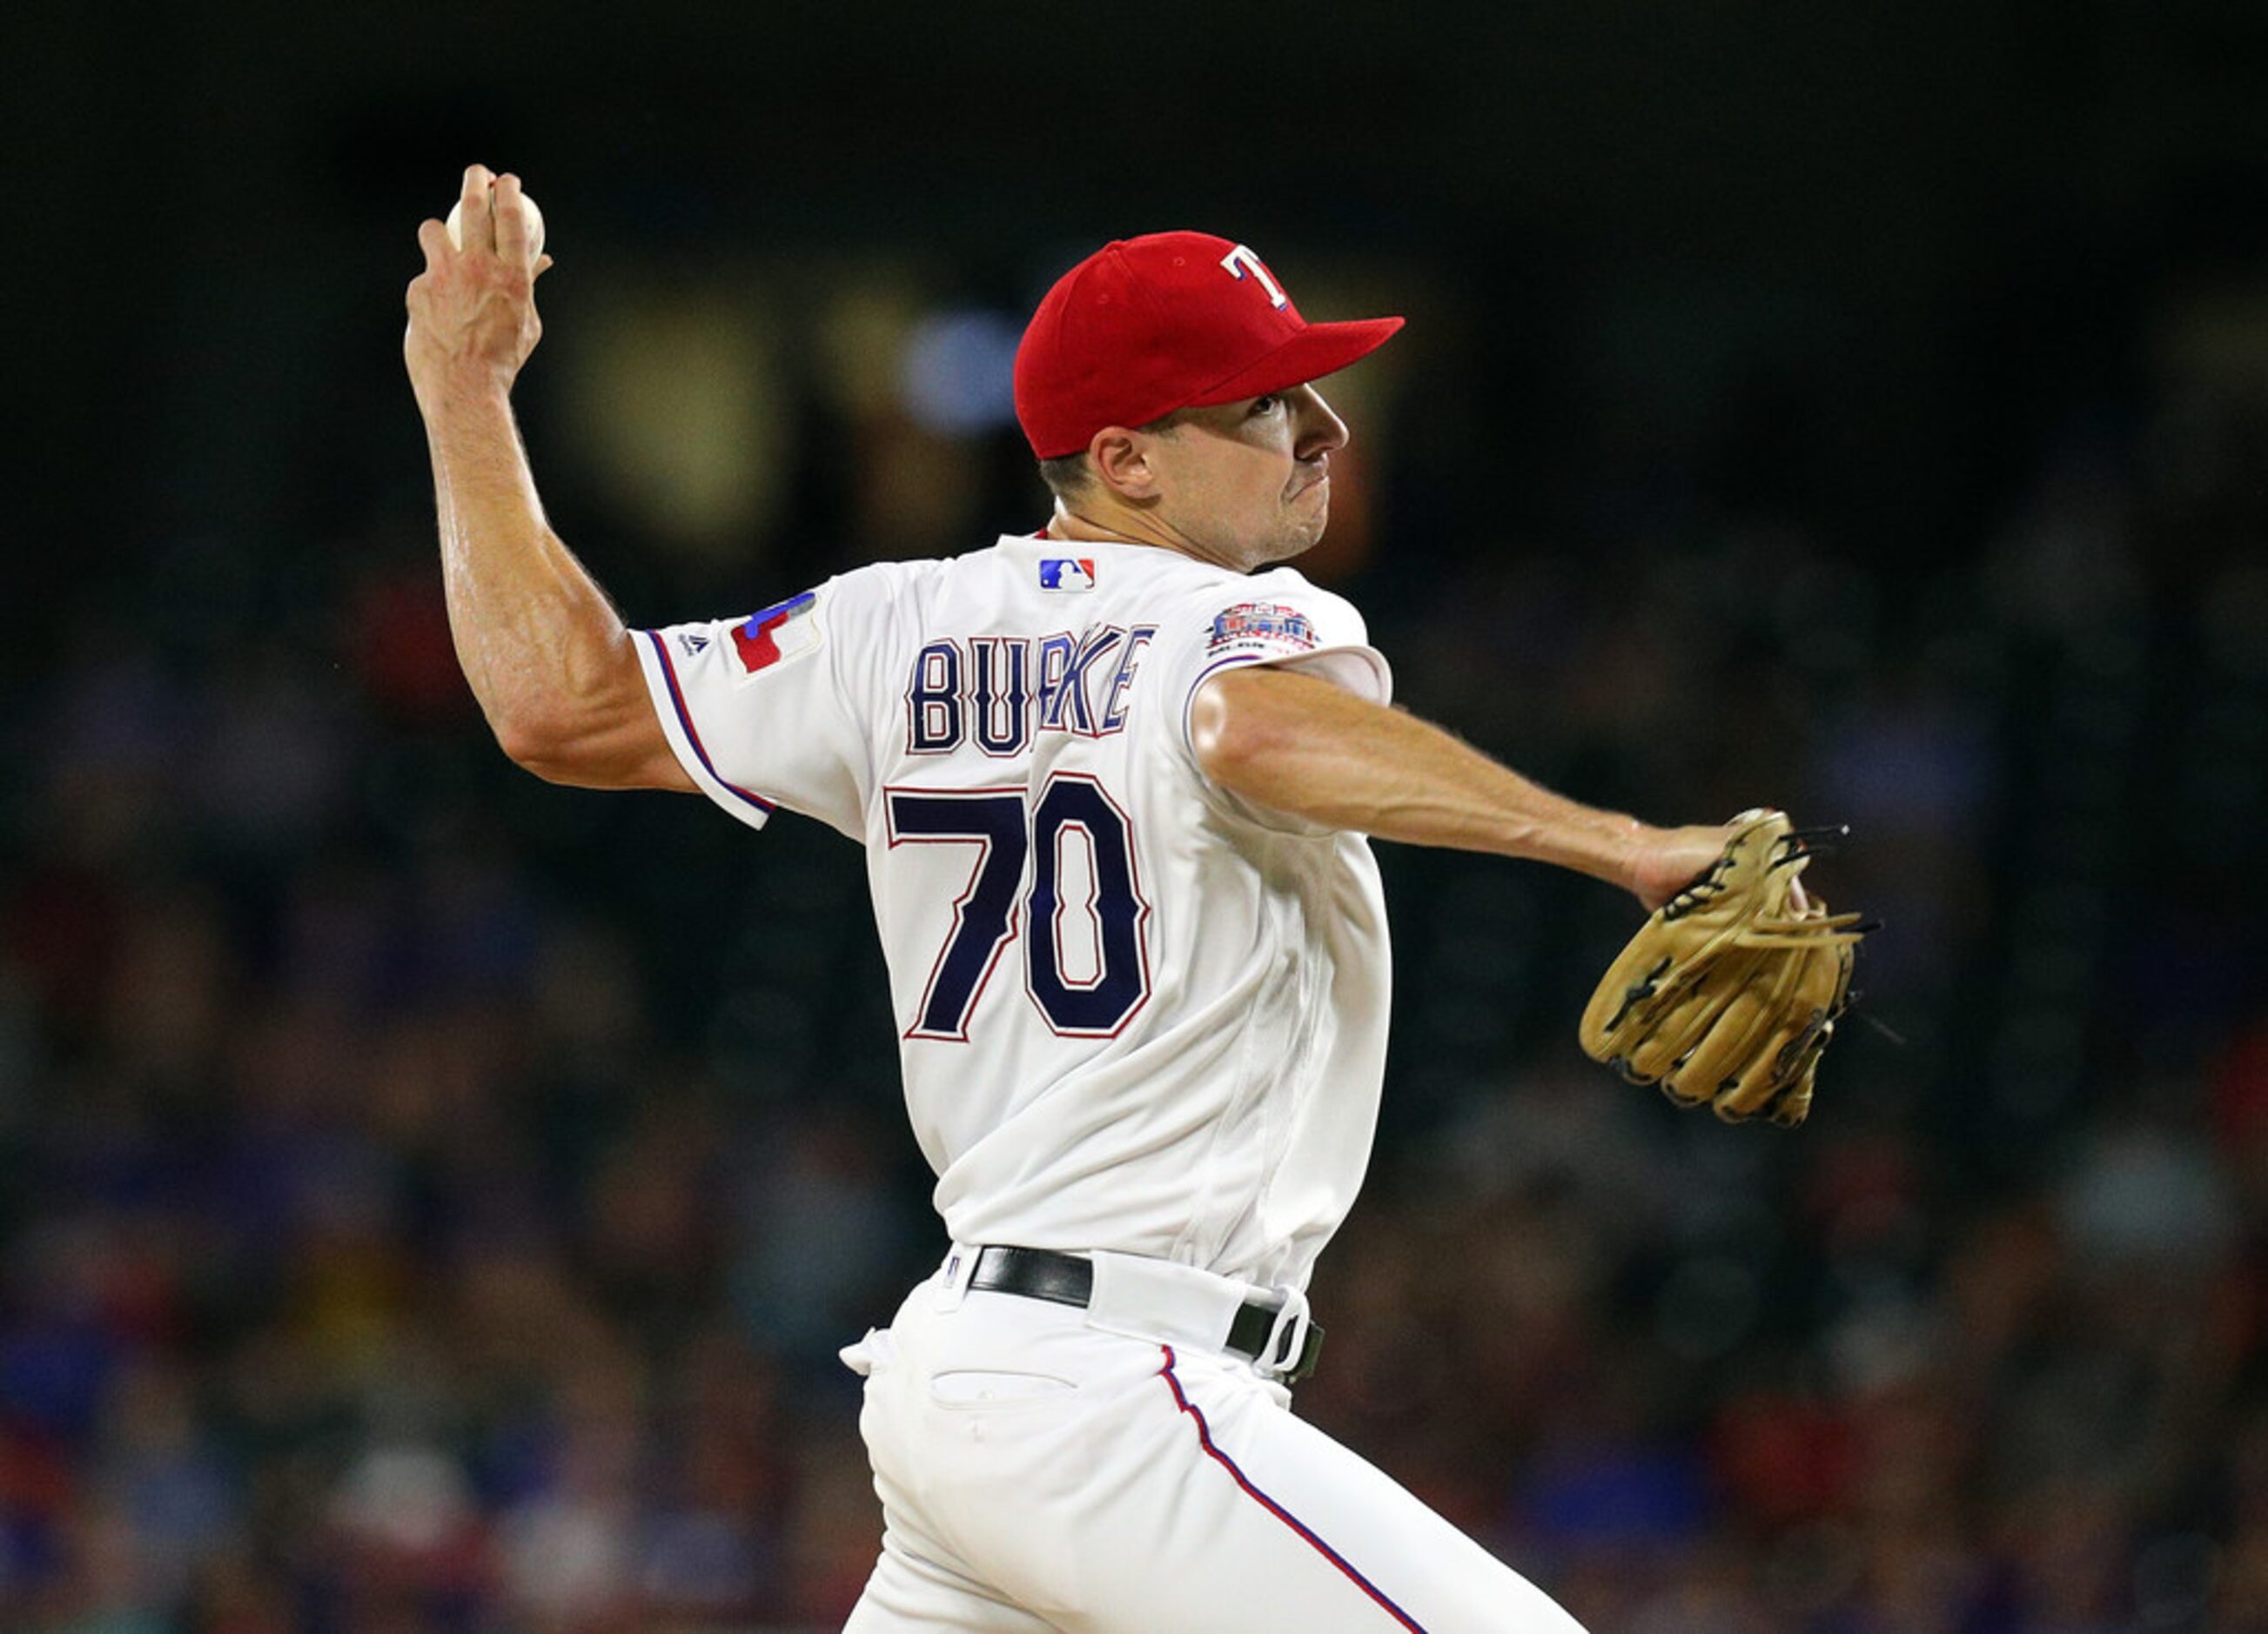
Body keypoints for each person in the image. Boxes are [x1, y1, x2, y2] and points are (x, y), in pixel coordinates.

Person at [406, 164, 1739, 1632]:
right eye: (1261, 403)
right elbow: (1249, 727)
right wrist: (1619, 844)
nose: (1322, 429)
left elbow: (559, 706)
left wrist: (465, 392)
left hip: (971, 1376)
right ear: (1127, 459)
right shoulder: (1235, 620)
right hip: (1113, 1390)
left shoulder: (880, 628)